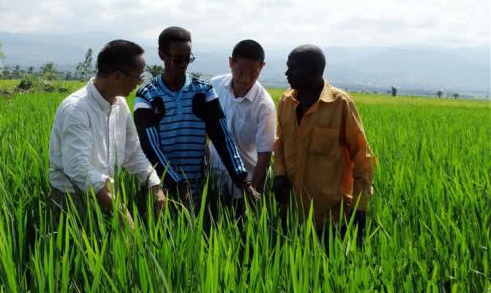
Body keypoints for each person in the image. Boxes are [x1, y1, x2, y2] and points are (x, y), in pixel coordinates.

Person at [133, 26, 259, 207]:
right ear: (162, 55)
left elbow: (222, 137)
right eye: (177, 59)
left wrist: (242, 180)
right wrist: (176, 183)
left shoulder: (203, 92)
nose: (183, 64)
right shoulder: (147, 96)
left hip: (197, 189)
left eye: (188, 58)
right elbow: (150, 147)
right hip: (160, 189)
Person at [48, 40, 165, 227]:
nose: (139, 83)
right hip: (73, 201)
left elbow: (132, 151)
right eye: (138, 77)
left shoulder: (120, 104)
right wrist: (118, 207)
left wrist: (153, 184)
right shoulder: (76, 109)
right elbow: (79, 169)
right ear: (118, 76)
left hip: (105, 195)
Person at [272, 44, 376, 238]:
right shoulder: (286, 102)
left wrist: (360, 208)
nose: (287, 73)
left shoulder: (341, 103)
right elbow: (280, 143)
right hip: (291, 215)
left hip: (331, 218)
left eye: (293, 68)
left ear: (315, 71)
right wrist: (279, 173)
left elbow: (362, 157)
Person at [209, 40, 276, 206]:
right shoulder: (215, 86)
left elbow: (264, 156)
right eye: (240, 71)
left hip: (243, 189)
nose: (246, 79)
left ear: (262, 67)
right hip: (212, 183)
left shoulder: (264, 105)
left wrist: (254, 194)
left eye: (254, 72)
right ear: (231, 63)